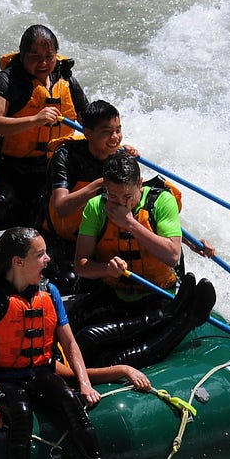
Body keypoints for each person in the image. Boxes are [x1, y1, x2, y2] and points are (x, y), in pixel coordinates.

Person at [0, 228, 155, 459]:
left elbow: (69, 343)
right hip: (5, 380)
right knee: (22, 415)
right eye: (39, 254)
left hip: (40, 373)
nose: (48, 259)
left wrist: (84, 383)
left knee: (70, 402)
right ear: (17, 262)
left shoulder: (49, 293)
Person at [71, 152, 215, 376]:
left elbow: (172, 255)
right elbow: (81, 265)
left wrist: (129, 223)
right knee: (84, 341)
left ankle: (184, 316)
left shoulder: (161, 201)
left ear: (140, 184)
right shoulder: (96, 207)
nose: (119, 203)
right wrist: (105, 269)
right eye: (113, 196)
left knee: (111, 356)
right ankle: (181, 315)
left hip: (156, 296)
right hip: (115, 295)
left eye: (127, 196)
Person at [0, 24, 88, 230]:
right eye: (35, 56)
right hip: (9, 166)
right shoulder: (5, 81)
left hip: (49, 165)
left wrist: (111, 138)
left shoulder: (65, 78)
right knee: (3, 205)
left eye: (49, 56)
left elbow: (89, 121)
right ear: (22, 56)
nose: (44, 62)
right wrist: (35, 120)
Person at [41, 99, 136, 291]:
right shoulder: (66, 157)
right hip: (61, 240)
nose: (115, 138)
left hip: (98, 238)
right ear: (88, 133)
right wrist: (102, 183)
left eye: (118, 130)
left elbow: (139, 201)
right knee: (69, 280)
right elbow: (61, 207)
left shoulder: (120, 158)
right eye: (107, 132)